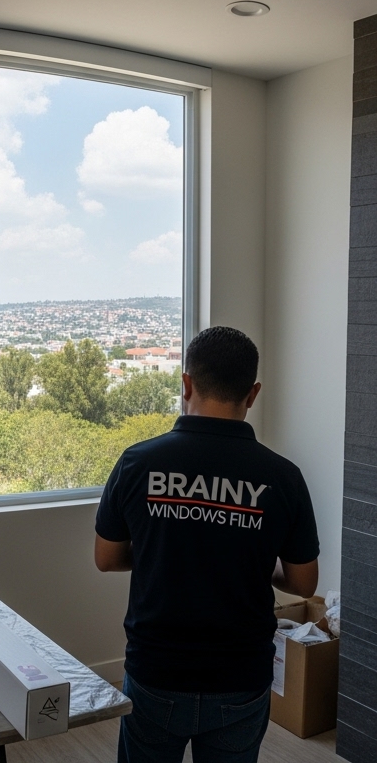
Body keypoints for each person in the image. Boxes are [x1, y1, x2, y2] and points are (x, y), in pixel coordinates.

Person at [95, 326, 319, 763]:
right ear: (252, 394)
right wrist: (252, 561)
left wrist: (165, 549)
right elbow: (304, 583)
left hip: (155, 671)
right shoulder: (283, 477)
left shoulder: (138, 461)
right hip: (241, 676)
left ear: (186, 384)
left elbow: (106, 559)